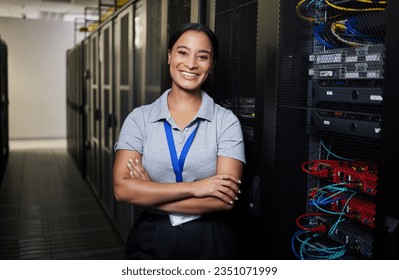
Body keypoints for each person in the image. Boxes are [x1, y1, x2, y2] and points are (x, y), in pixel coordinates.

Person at [113, 22, 246, 260]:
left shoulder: (226, 122)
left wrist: (151, 199)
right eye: (183, 52)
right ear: (169, 56)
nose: (191, 64)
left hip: (211, 240)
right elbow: (123, 189)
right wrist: (196, 188)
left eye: (202, 56)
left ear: (211, 65)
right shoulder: (139, 119)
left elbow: (224, 200)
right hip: (151, 239)